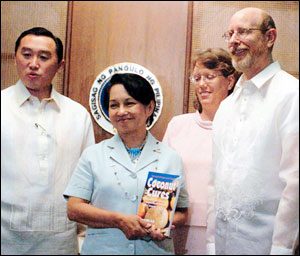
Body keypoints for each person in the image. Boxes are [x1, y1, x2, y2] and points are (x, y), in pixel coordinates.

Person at [63, 73, 189, 255]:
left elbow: (182, 213)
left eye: (129, 103)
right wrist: (119, 220)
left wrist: (163, 224)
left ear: (149, 107)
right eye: (114, 105)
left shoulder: (171, 158)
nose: (121, 111)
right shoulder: (93, 155)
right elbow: (73, 209)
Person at [206, 7, 299, 255]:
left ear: (270, 37)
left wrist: (282, 248)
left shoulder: (291, 95)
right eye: (229, 34)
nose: (234, 41)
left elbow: (295, 181)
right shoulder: (226, 106)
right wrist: (212, 242)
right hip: (223, 245)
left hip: (267, 246)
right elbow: (215, 181)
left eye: (244, 32)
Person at [1, 27, 95, 254]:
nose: (34, 63)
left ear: (60, 65)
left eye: (43, 57)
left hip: (61, 242)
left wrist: (84, 241)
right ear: (16, 58)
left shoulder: (77, 115)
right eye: (26, 54)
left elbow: (88, 185)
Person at [163, 48, 239, 255]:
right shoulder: (178, 125)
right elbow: (164, 178)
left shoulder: (243, 128)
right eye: (197, 77)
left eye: (209, 76)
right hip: (179, 228)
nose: (202, 84)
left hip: (228, 232)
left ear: (230, 82)